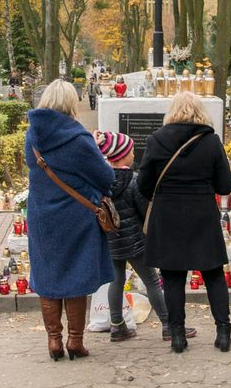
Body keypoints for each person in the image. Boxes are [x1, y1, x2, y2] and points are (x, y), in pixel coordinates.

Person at [137, 91, 231, 353]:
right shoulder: (211, 142)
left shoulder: (156, 140)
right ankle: (223, 333)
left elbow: (144, 185)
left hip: (168, 215)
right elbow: (226, 186)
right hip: (202, 213)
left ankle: (178, 336)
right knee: (213, 274)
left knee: (173, 278)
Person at [24, 79, 114, 361]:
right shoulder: (77, 139)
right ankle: (75, 340)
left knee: (48, 274)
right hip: (76, 217)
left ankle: (54, 340)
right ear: (70, 103)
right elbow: (106, 178)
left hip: (42, 217)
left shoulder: (32, 137)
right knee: (75, 274)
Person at [95, 130, 194, 343]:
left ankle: (117, 325)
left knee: (116, 281)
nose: (134, 154)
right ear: (122, 155)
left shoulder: (101, 182)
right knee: (151, 281)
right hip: (135, 241)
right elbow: (144, 210)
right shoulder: (134, 180)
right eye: (131, 151)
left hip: (111, 240)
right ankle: (168, 324)